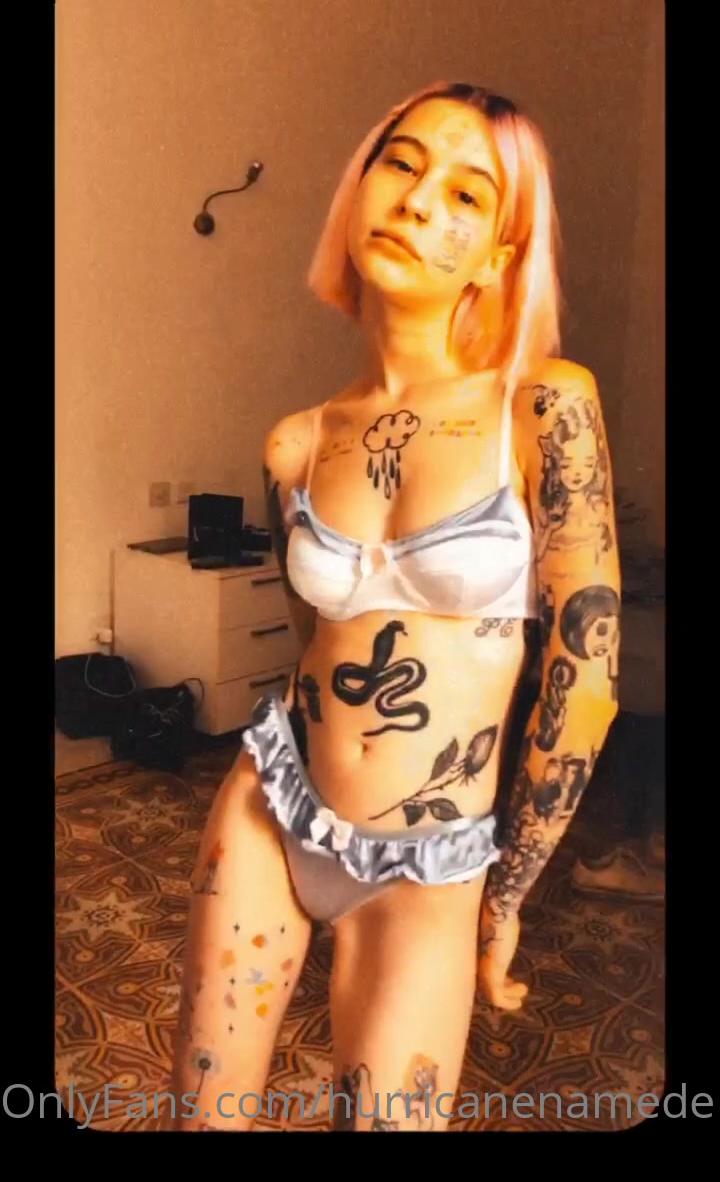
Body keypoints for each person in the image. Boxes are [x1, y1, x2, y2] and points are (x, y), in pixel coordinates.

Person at [164, 81, 620, 1132]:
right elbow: (317, 636)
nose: (418, 202)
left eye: (467, 194)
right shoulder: (298, 440)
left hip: (432, 857)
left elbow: (586, 672)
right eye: (402, 163)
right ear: (360, 185)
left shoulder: (543, 405)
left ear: (499, 255)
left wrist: (509, 893)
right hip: (273, 804)